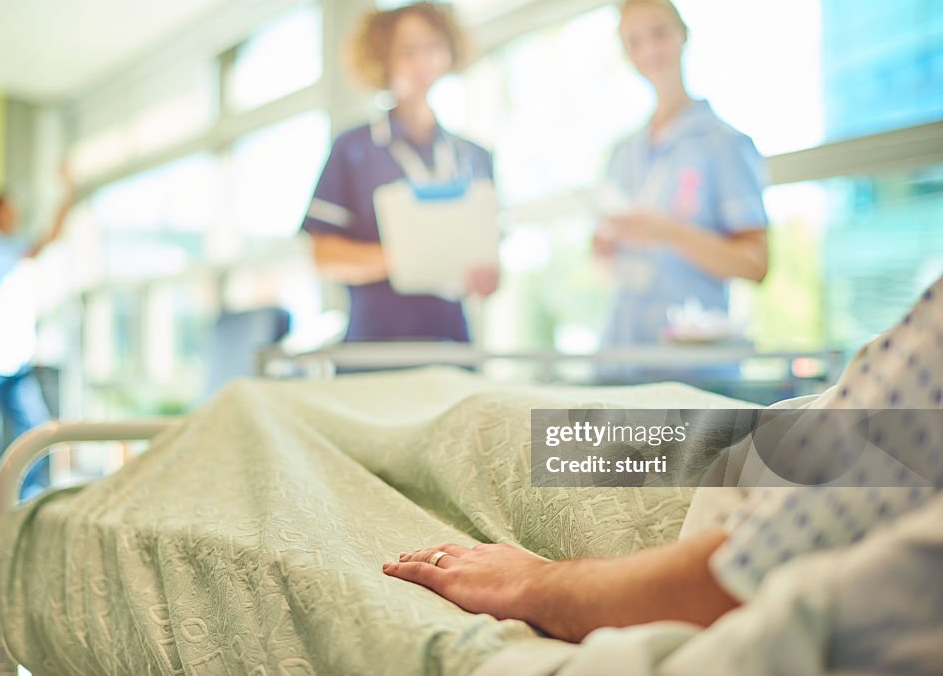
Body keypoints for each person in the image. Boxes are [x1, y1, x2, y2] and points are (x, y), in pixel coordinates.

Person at [384, 274, 943, 672]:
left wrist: (529, 582)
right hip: (744, 432)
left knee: (486, 422)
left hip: (746, 463)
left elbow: (725, 581)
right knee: (517, 421)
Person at [301, 0, 498, 343]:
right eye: (407, 49)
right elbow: (322, 255)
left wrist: (486, 278)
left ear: (449, 52)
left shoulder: (474, 156)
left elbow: (490, 262)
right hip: (376, 342)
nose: (422, 60)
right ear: (384, 58)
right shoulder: (355, 148)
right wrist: (404, 258)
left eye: (433, 46)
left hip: (452, 344)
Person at [595, 0, 769, 347]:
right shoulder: (622, 153)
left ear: (682, 34)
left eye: (659, 33)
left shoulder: (723, 144)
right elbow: (604, 256)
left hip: (689, 358)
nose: (649, 50)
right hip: (620, 352)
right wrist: (602, 245)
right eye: (635, 41)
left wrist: (668, 233)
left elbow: (756, 264)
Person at [0, 170, 74, 518]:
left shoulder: (10, 247)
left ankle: (31, 497)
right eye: (10, 209)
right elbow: (39, 244)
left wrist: (67, 196)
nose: (16, 214)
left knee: (35, 426)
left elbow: (47, 240)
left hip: (16, 359)